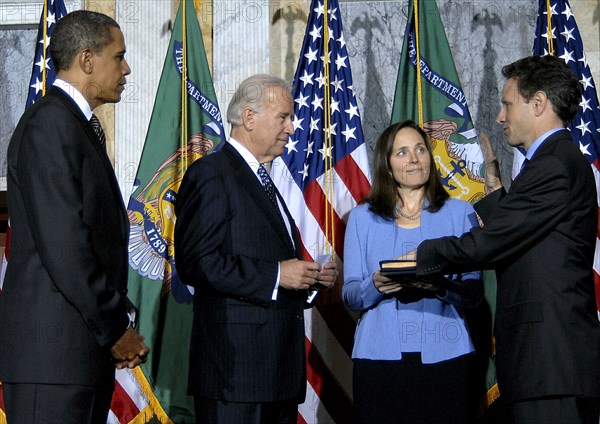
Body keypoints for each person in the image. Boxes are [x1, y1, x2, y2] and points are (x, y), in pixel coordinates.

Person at [415, 55, 600, 424]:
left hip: (550, 364)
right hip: (547, 366)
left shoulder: (553, 164)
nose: (500, 116)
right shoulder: (555, 160)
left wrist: (420, 255)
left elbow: (491, 243)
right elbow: (527, 241)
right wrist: (496, 189)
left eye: (507, 103)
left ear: (538, 103)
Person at [0, 10, 149, 424]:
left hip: (73, 359)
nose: (127, 68)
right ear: (87, 60)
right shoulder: (52, 124)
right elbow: (67, 245)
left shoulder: (73, 125)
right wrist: (115, 327)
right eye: (118, 56)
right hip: (52, 363)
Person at [174, 74, 338, 424]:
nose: (292, 128)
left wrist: (308, 278)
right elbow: (197, 263)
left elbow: (263, 260)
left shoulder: (264, 180)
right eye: (283, 117)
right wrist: (278, 274)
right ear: (249, 118)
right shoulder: (211, 173)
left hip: (276, 375)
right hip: (234, 376)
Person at [342, 120, 483, 424]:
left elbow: (474, 293)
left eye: (420, 149)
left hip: (447, 357)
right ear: (387, 165)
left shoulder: (460, 213)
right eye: (402, 153)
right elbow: (351, 295)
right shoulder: (362, 218)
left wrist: (438, 286)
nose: (415, 159)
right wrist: (376, 284)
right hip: (379, 361)